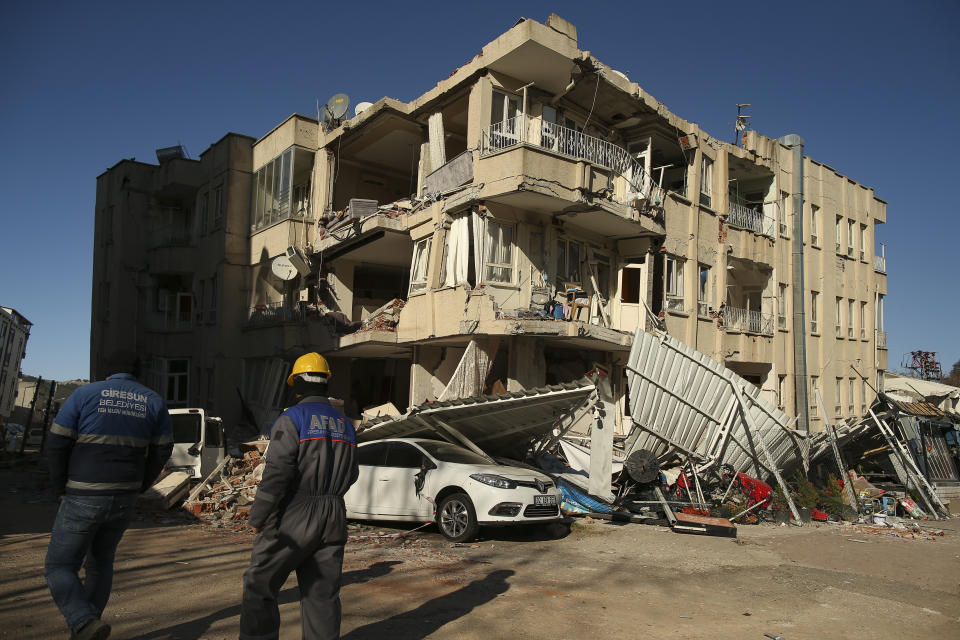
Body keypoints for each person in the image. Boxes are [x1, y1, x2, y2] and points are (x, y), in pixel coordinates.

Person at [44, 350, 172, 640]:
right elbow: (162, 450)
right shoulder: (153, 401)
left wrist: (59, 486)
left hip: (83, 492)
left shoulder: (84, 394)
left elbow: (56, 443)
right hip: (124, 495)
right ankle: (87, 628)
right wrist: (140, 485)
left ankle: (83, 621)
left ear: (106, 372)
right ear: (138, 373)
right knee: (101, 563)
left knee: (59, 566)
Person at [240, 352, 359, 640]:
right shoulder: (346, 424)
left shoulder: (291, 419)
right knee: (322, 595)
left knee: (260, 584)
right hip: (333, 513)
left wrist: (258, 517)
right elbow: (353, 473)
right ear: (326, 383)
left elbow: (278, 473)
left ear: (297, 385)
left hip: (295, 511)